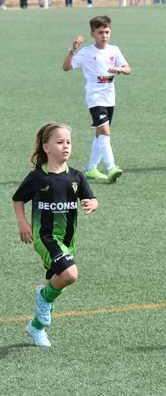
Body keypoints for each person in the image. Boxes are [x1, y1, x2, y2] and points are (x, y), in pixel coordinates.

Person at [12, 122, 98, 348]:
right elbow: (18, 199)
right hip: (45, 237)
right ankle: (43, 297)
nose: (65, 146)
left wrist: (93, 203)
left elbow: (90, 198)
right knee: (70, 274)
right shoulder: (38, 178)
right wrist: (22, 222)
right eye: (59, 142)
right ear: (46, 147)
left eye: (68, 142)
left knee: (58, 281)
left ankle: (36, 327)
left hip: (68, 241)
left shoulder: (76, 177)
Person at [63, 15, 131, 184]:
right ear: (93, 33)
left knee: (101, 133)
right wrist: (73, 50)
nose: (104, 35)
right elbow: (66, 67)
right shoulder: (86, 52)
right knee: (105, 131)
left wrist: (119, 69)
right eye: (100, 32)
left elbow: (128, 68)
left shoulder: (114, 50)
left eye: (107, 32)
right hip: (95, 97)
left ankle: (91, 169)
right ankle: (111, 167)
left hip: (110, 97)